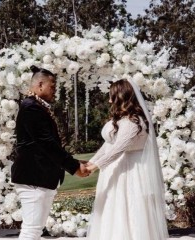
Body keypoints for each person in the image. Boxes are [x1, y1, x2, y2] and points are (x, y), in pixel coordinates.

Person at [11, 65, 89, 240]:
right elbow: (46, 144)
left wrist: (76, 162)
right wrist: (74, 167)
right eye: (52, 86)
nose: (55, 90)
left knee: (36, 230)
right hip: (33, 178)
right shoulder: (31, 107)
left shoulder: (36, 106)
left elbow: (48, 145)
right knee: (31, 230)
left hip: (41, 179)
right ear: (40, 85)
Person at [86, 79, 168, 240]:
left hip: (129, 171)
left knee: (128, 208)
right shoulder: (121, 119)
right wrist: (91, 162)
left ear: (121, 97)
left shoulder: (133, 122)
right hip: (117, 169)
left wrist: (94, 167)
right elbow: (108, 145)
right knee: (113, 208)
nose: (109, 100)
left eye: (112, 96)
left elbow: (119, 148)